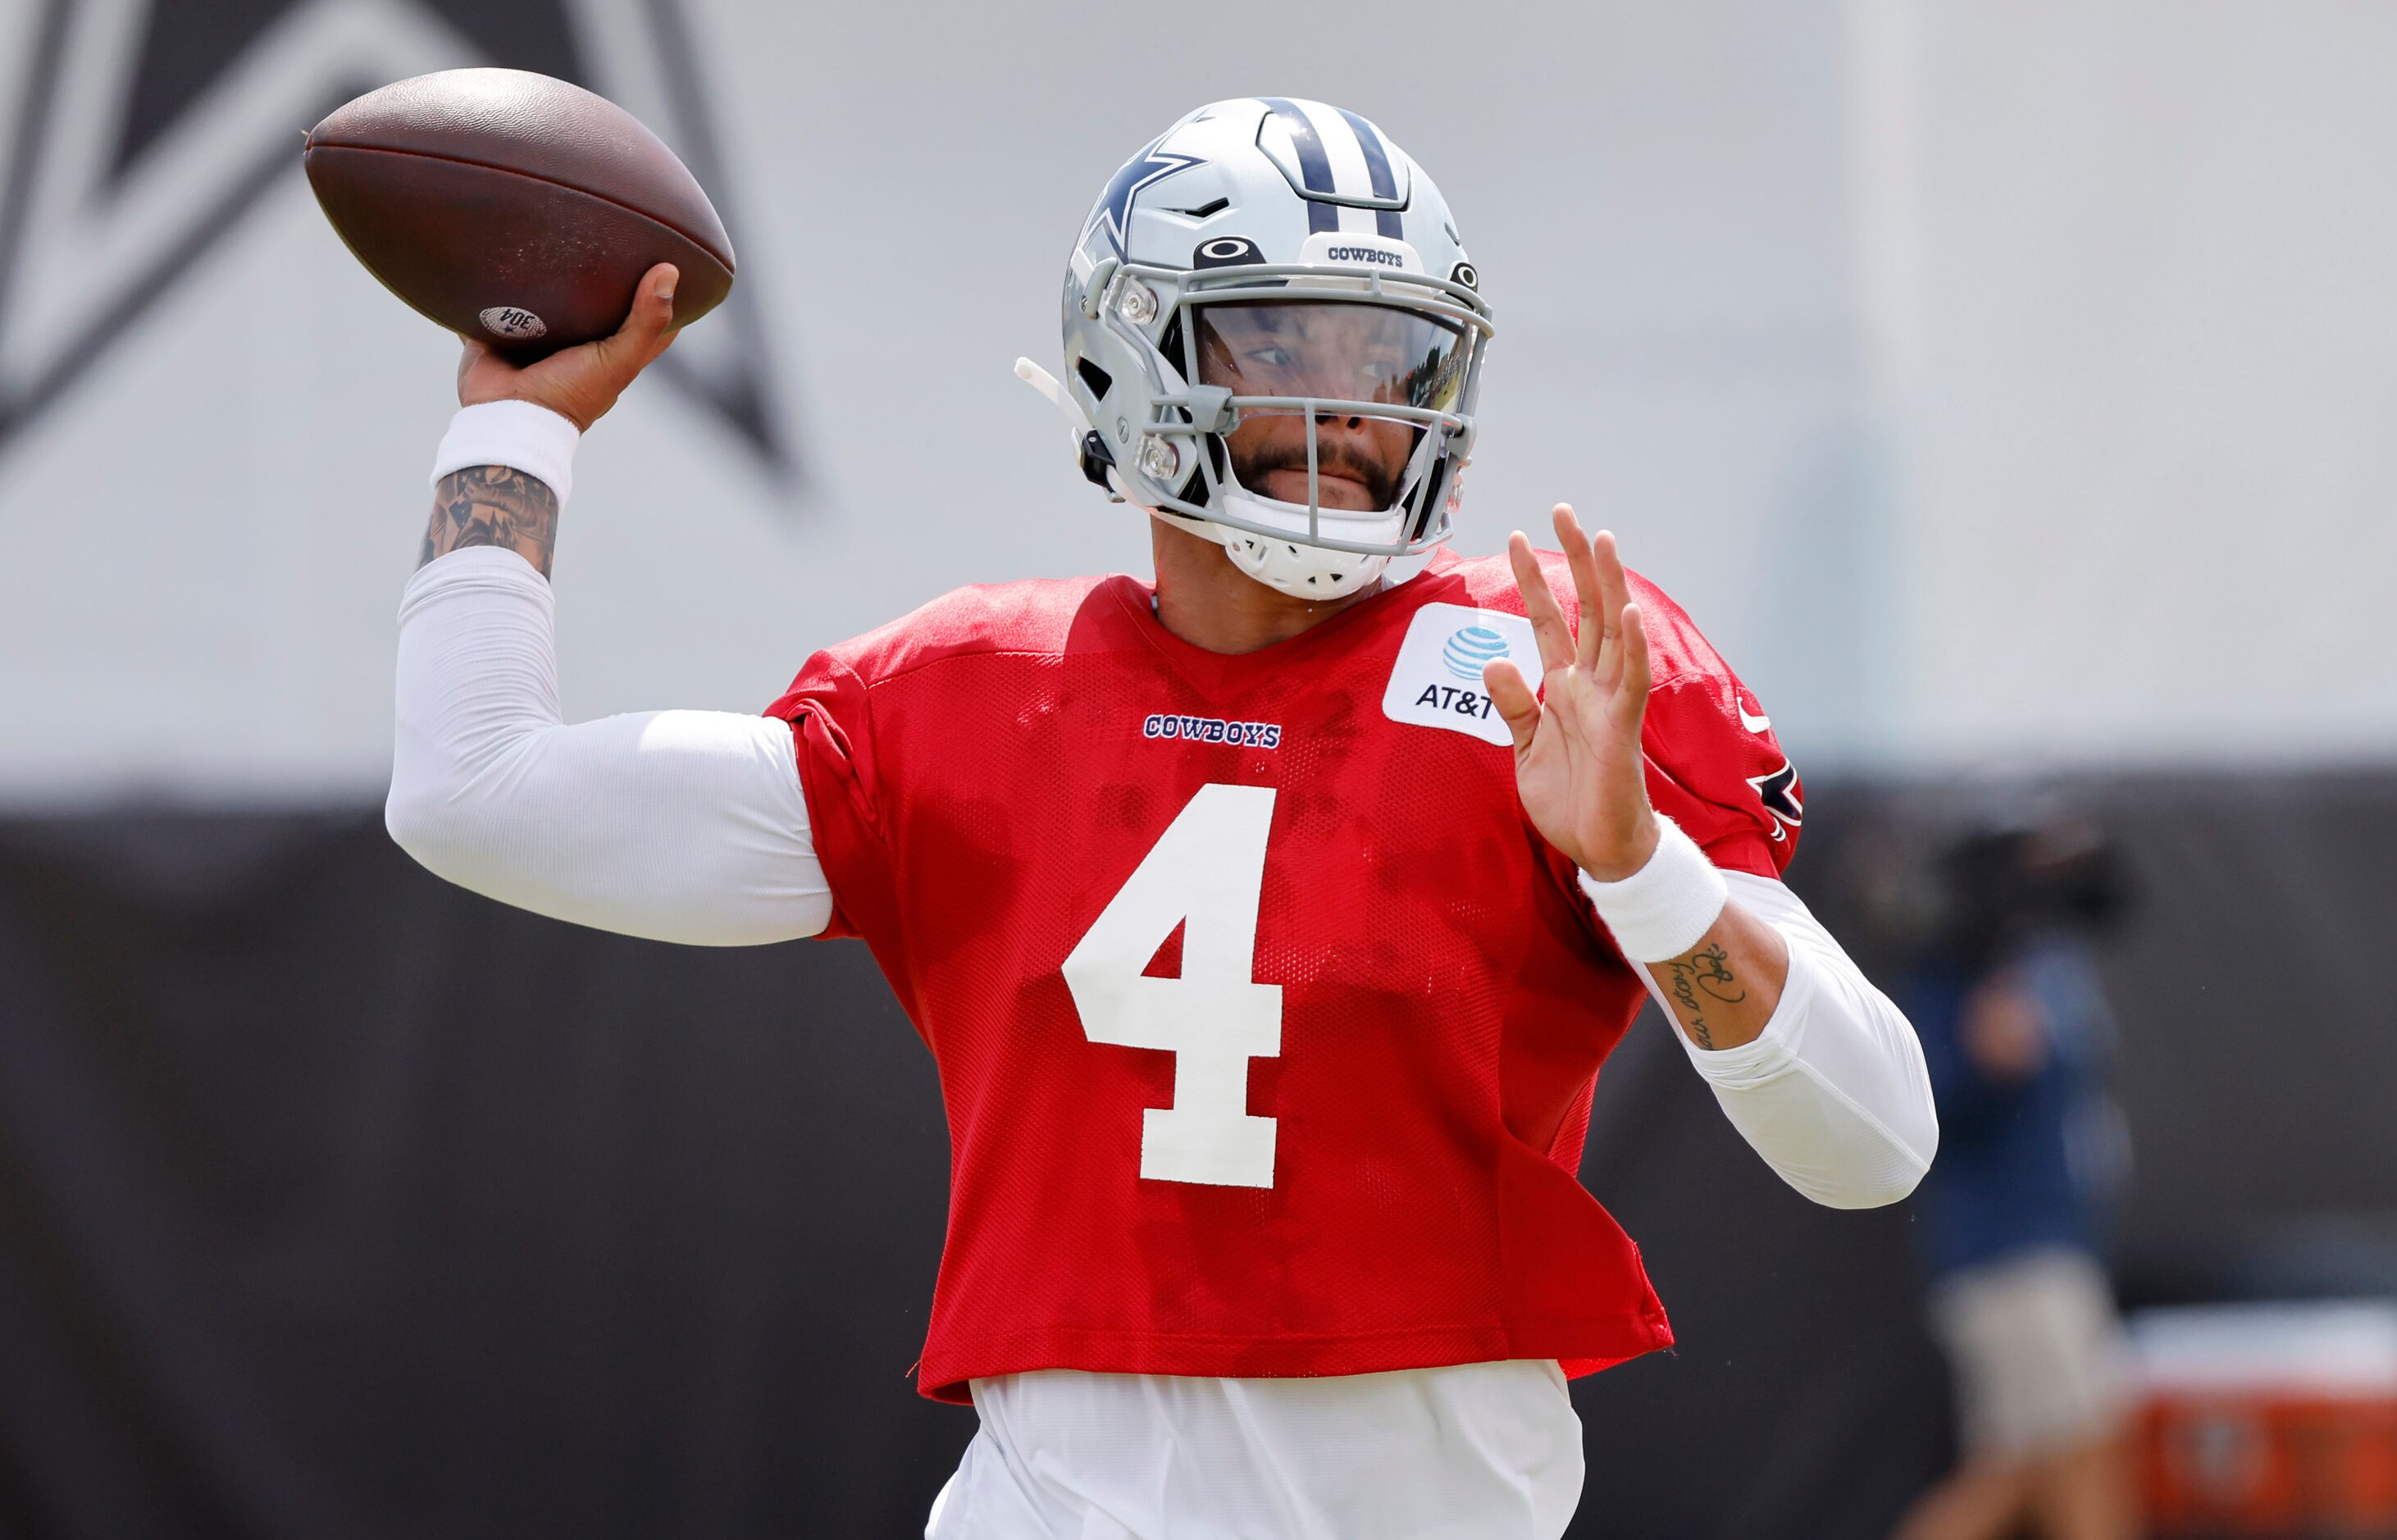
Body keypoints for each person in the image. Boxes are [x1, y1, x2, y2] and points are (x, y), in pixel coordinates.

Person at [384, 99, 1939, 1538]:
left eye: (1383, 355)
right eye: (1279, 341)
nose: (1345, 404)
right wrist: (512, 430)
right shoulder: (972, 690)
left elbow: (1874, 1142)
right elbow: (478, 791)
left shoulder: (1540, 679)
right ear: (1136, 355)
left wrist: (1637, 863)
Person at [1894, 819, 2139, 1540]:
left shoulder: (2046, 959)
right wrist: (1974, 1060)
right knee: (2078, 1449)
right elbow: (1914, 1113)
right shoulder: (1949, 977)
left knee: (2019, 1464)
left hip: (2058, 1242)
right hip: (2008, 1253)